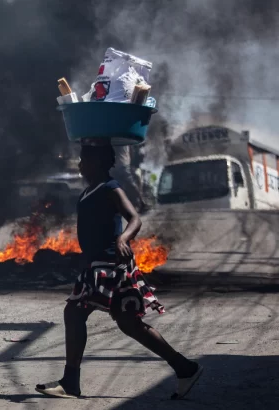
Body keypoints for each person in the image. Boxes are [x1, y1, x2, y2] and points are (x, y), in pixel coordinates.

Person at [35, 144, 202, 400]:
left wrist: (124, 238)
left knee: (79, 313)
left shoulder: (110, 187)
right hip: (96, 265)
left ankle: (71, 382)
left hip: (111, 265)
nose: (80, 165)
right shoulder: (90, 190)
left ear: (99, 163)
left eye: (84, 160)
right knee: (127, 323)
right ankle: (184, 368)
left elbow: (134, 217)